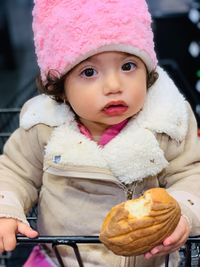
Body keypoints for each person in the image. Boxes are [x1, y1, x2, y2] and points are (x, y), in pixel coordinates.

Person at [0, 0, 200, 266]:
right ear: (59, 88)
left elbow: (191, 175)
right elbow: (14, 172)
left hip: (148, 260)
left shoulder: (166, 125)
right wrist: (6, 210)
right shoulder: (44, 127)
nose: (114, 85)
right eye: (89, 71)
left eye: (128, 66)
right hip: (60, 258)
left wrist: (183, 213)